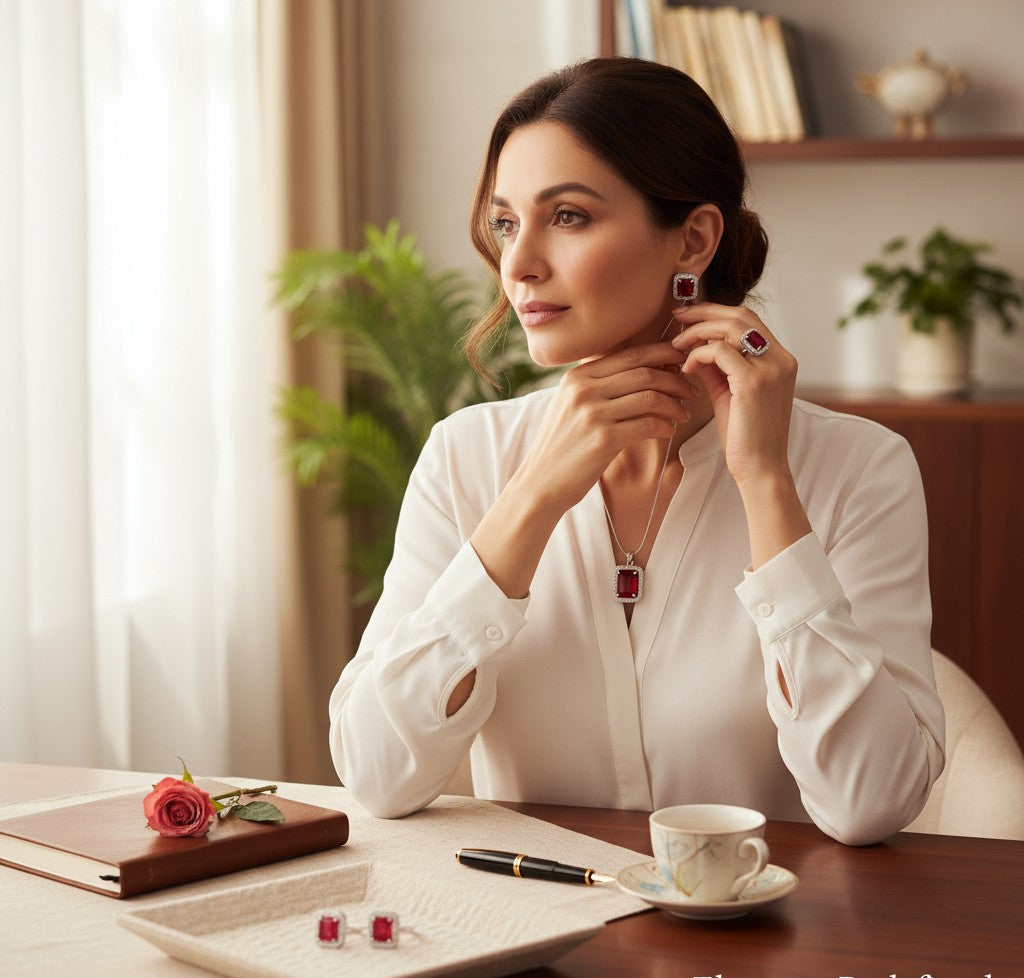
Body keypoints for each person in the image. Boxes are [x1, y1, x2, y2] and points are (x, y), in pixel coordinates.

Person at [328, 57, 944, 845]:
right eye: (507, 221)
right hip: (537, 939)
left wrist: (764, 480)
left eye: (569, 216)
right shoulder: (466, 458)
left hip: (771, 951)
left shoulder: (860, 469)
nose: (517, 265)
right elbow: (374, 775)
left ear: (692, 239)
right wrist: (531, 498)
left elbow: (871, 804)